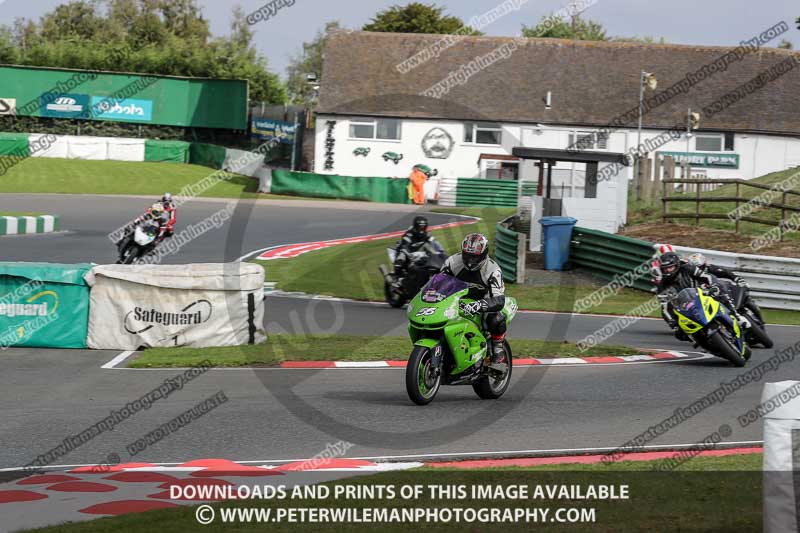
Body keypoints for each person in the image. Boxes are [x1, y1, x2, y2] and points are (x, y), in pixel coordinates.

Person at [441, 233, 508, 365]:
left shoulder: (493, 270)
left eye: (475, 257)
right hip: (458, 299)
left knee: (496, 319)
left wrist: (479, 305)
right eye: (468, 256)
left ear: (484, 255)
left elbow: (499, 300)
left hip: (484, 299)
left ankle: (498, 350)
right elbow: (439, 283)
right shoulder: (452, 262)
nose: (471, 261)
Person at [656, 251, 749, 340]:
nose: (668, 270)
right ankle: (701, 340)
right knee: (681, 334)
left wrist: (714, 286)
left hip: (702, 293)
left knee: (719, 292)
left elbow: (707, 276)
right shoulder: (662, 286)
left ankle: (737, 316)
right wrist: (673, 323)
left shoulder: (688, 268)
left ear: (676, 265)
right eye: (665, 268)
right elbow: (664, 308)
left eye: (670, 267)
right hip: (687, 307)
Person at [686, 252, 763, 323]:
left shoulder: (710, 268)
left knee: (745, 295)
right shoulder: (691, 279)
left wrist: (738, 279)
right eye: (697, 268)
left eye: (701, 267)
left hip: (724, 292)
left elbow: (725, 272)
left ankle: (758, 318)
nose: (699, 270)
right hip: (712, 300)